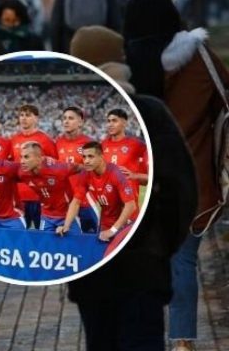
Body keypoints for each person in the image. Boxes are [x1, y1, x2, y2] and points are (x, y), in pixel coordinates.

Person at [123, 0, 229, 351]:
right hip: (192, 175)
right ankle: (182, 340)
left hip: (137, 180)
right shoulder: (198, 56)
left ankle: (142, 335)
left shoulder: (124, 63)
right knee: (183, 260)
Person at [68, 94, 197, 351]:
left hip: (114, 267)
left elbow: (175, 190)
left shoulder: (142, 131)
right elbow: (182, 193)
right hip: (131, 266)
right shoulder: (147, 114)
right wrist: (160, 249)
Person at [72, 141, 138, 242]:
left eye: (90, 157)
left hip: (126, 222)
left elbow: (131, 206)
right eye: (84, 157)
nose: (86, 161)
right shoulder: (86, 174)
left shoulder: (116, 173)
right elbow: (75, 202)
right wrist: (66, 226)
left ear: (101, 157)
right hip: (106, 221)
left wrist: (113, 230)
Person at [10, 104, 57, 229]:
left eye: (28, 115)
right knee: (21, 232)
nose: (24, 118)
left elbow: (55, 165)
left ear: (36, 118)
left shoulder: (45, 139)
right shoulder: (14, 140)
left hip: (39, 195)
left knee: (40, 232)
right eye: (21, 115)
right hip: (19, 195)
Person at [17, 142, 82, 234]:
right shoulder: (22, 172)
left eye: (26, 157)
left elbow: (82, 168)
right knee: (43, 242)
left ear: (39, 158)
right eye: (21, 157)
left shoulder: (58, 168)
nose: (22, 161)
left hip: (67, 215)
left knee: (77, 242)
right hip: (46, 216)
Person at [55, 106, 98, 233]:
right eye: (64, 118)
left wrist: (78, 167)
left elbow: (98, 169)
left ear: (80, 122)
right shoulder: (57, 143)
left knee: (96, 237)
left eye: (71, 118)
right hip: (67, 203)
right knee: (73, 238)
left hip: (87, 200)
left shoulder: (89, 143)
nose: (66, 121)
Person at [102, 109, 149, 201]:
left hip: (129, 204)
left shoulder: (137, 145)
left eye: (114, 121)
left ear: (124, 123)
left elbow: (148, 179)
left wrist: (134, 176)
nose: (110, 124)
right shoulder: (102, 145)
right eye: (109, 121)